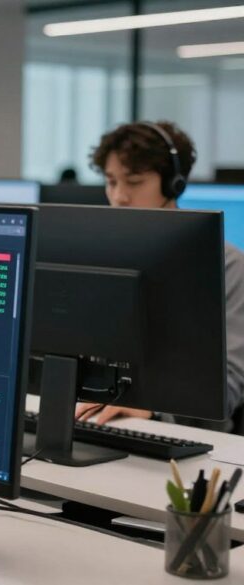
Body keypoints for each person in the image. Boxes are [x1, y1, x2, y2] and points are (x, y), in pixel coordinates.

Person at [75, 121, 244, 433]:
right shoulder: (97, 257)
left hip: (188, 437)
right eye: (111, 181)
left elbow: (228, 387)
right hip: (101, 421)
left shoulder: (228, 266)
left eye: (134, 181)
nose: (119, 196)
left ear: (173, 185)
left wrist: (152, 409)